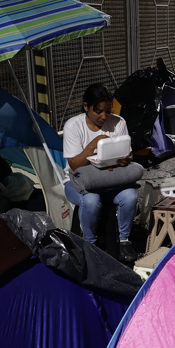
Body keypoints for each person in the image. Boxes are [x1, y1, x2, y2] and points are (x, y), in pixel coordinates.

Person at [62, 83, 139, 262]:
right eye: (98, 111)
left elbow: (127, 153)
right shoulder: (74, 126)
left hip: (111, 180)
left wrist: (125, 159)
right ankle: (90, 244)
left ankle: (124, 241)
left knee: (130, 196)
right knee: (91, 200)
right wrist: (93, 144)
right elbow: (74, 165)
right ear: (86, 107)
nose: (104, 116)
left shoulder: (119, 123)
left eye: (108, 111)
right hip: (80, 182)